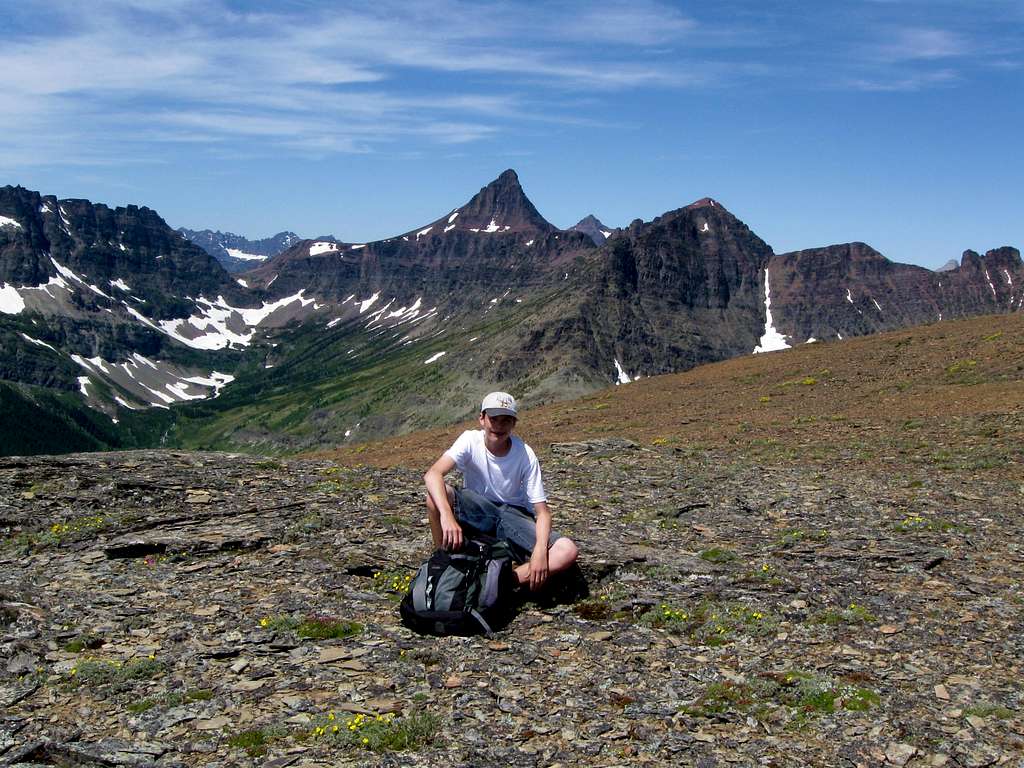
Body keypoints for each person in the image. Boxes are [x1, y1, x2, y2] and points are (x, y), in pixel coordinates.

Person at [424, 392, 578, 592]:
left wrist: (540, 550)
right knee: (435, 498)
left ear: (513, 423)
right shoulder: (470, 440)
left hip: (512, 516)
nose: (499, 425)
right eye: (494, 419)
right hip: (478, 509)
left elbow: (542, 512)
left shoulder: (525, 454)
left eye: (506, 420)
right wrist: (446, 516)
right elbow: (433, 474)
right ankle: (442, 560)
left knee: (566, 550)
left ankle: (499, 584)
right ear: (482, 419)